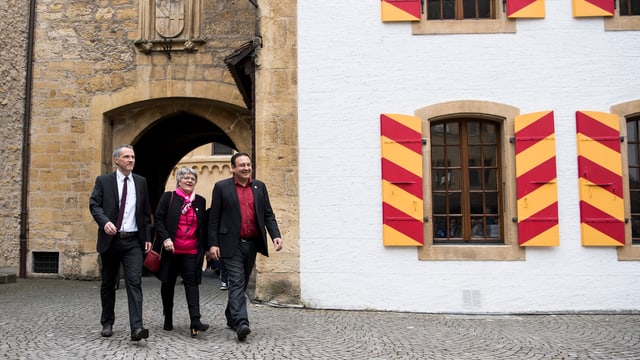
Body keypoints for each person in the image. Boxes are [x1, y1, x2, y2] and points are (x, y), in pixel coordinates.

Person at [208, 152, 284, 341]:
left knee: (238, 283)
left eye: (248, 165)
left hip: (251, 243)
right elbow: (214, 218)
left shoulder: (259, 187)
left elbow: (268, 214)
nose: (246, 168)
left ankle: (230, 315)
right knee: (237, 281)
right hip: (230, 243)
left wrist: (275, 235)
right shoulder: (221, 187)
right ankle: (242, 322)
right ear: (233, 168)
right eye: (241, 165)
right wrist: (213, 244)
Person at [89, 144, 153, 341]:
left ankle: (137, 327)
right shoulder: (104, 181)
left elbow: (144, 213)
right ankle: (107, 322)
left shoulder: (141, 182)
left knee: (134, 281)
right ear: (117, 160)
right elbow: (94, 204)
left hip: (133, 240)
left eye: (133, 157)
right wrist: (105, 222)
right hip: (111, 239)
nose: (131, 160)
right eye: (126, 157)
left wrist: (148, 238)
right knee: (109, 283)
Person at [154, 167, 210, 337]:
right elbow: (158, 219)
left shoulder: (200, 201)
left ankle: (195, 320)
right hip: (172, 250)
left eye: (193, 178)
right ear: (179, 180)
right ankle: (168, 316)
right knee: (168, 284)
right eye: (186, 177)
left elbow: (203, 227)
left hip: (192, 251)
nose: (189, 180)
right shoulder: (169, 197)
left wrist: (207, 248)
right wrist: (165, 239)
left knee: (192, 285)